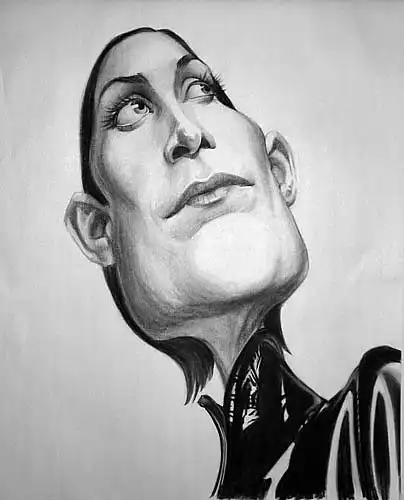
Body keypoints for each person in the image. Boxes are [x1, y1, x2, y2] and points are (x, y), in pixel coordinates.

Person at [64, 27, 401, 500]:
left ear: (278, 170)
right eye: (131, 110)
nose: (187, 133)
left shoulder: (382, 419)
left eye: (202, 88)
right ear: (99, 230)